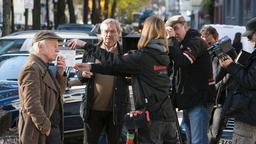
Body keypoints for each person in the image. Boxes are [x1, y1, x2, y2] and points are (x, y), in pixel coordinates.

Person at [73, 15, 178, 144]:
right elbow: (118, 68)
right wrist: (91, 67)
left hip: (150, 118)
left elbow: (114, 61)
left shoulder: (141, 57)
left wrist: (86, 45)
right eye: (106, 31)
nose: (109, 34)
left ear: (146, 32)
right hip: (168, 116)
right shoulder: (163, 54)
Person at [68, 18, 130, 144]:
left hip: (116, 110)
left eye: (113, 31)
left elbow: (130, 77)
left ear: (118, 34)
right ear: (100, 34)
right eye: (106, 31)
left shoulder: (125, 53)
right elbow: (81, 77)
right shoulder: (91, 52)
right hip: (93, 109)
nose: (109, 35)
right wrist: (83, 74)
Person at [165, 15, 216, 144]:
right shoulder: (179, 45)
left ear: (185, 27)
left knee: (198, 141)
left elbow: (184, 61)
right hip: (188, 100)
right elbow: (170, 69)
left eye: (176, 28)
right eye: (170, 30)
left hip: (199, 100)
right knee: (190, 140)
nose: (174, 33)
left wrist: (171, 40)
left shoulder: (196, 41)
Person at [18, 30, 67, 144]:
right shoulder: (32, 69)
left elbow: (58, 94)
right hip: (40, 133)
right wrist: (46, 127)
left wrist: (61, 73)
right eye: (54, 46)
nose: (58, 49)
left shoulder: (43, 67)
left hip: (50, 131)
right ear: (40, 46)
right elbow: (32, 104)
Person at [219, 17, 256, 144]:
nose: (249, 39)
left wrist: (231, 66)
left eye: (251, 35)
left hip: (249, 114)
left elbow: (250, 81)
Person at [200, 26, 237, 143]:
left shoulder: (226, 49)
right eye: (204, 42)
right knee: (203, 130)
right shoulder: (203, 51)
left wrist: (220, 84)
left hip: (222, 98)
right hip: (206, 97)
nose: (207, 45)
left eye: (210, 42)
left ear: (217, 38)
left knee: (215, 133)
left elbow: (234, 72)